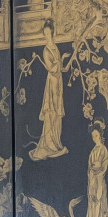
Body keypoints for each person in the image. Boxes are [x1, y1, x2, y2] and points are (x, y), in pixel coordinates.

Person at [29, 31, 68, 160]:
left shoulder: (55, 47)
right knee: (51, 111)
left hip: (58, 81)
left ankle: (56, 143)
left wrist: (63, 60)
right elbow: (52, 69)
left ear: (52, 33)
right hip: (52, 82)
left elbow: (60, 68)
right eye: (45, 33)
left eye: (48, 33)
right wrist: (61, 60)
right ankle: (49, 144)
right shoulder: (46, 50)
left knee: (57, 112)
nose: (46, 36)